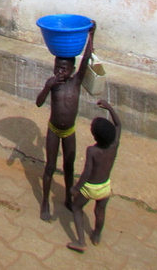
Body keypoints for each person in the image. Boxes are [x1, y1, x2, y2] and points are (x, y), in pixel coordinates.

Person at [36, 22, 95, 221]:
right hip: (53, 129)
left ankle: (69, 198)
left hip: (69, 132)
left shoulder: (76, 82)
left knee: (69, 166)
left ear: (72, 69)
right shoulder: (52, 84)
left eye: (63, 68)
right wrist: (47, 86)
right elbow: (38, 103)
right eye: (56, 68)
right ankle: (45, 201)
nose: (59, 71)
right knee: (50, 167)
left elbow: (86, 58)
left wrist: (91, 36)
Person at [67, 99, 121, 252]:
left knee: (77, 208)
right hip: (105, 187)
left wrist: (76, 188)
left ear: (95, 137)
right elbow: (119, 125)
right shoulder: (114, 145)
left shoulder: (92, 151)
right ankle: (96, 235)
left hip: (90, 187)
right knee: (100, 211)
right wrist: (110, 108)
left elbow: (86, 173)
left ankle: (80, 241)